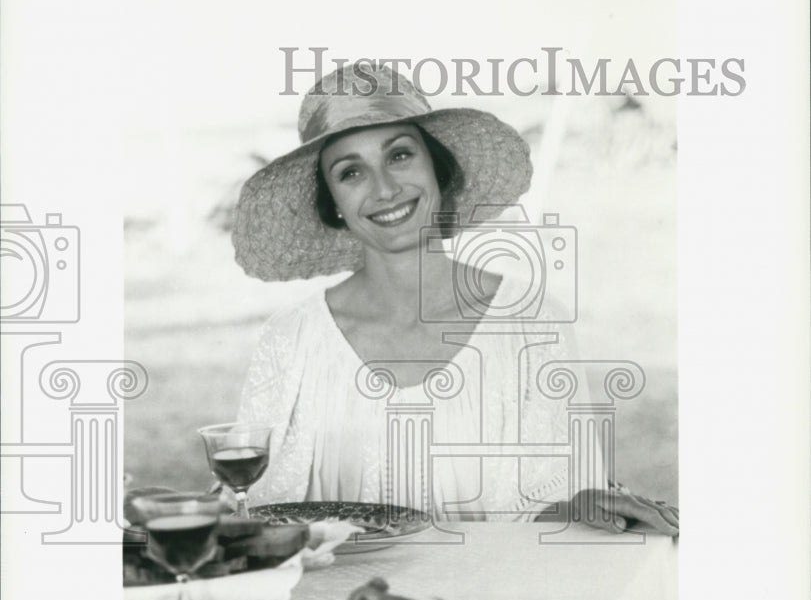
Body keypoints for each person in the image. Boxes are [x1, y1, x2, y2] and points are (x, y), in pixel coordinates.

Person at [233, 63, 678, 534]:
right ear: (334, 206)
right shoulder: (291, 340)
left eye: (400, 156)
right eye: (351, 172)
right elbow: (255, 508)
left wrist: (579, 503)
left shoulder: (529, 321)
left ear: (439, 172)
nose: (384, 189)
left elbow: (550, 502)